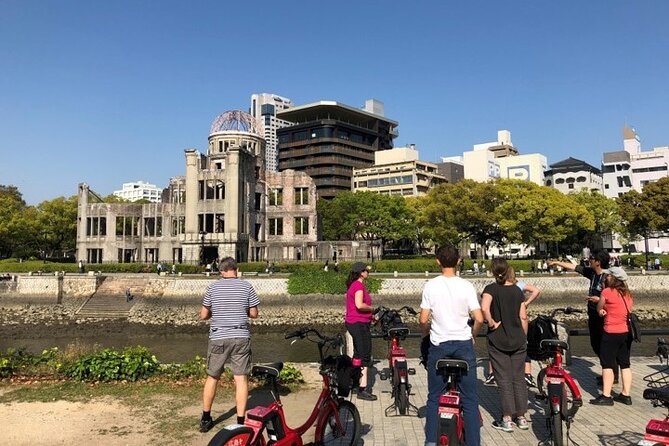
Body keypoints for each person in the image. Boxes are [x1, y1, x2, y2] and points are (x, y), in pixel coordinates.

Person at [420, 245, 484, 446]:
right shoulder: (466, 286)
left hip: (439, 345)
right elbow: (479, 318)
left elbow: (423, 319)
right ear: (458, 261)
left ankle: (431, 441)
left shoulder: (431, 285)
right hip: (463, 344)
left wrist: (427, 335)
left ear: (437, 261)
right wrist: (473, 334)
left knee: (434, 398)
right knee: (470, 400)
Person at [199, 257, 259, 432]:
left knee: (213, 376)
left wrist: (215, 314)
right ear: (236, 269)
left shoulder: (213, 287)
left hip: (219, 336)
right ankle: (240, 421)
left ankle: (206, 418)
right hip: (240, 336)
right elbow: (254, 314)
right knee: (241, 379)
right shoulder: (247, 286)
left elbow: (203, 315)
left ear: (221, 271)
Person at [549, 250, 615, 384]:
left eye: (591, 258)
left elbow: (615, 298)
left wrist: (599, 299)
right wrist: (556, 262)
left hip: (604, 316)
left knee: (605, 346)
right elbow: (574, 267)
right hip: (593, 315)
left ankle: (611, 375)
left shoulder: (608, 278)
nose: (589, 260)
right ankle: (608, 372)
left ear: (598, 262)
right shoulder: (592, 273)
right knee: (595, 344)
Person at [481, 259, 529, 432]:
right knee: (518, 378)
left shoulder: (490, 289)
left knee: (503, 379)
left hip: (498, 339)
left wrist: (492, 323)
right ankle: (522, 417)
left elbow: (484, 308)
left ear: (493, 272)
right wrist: (524, 336)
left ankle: (507, 418)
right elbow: (523, 316)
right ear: (508, 270)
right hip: (518, 339)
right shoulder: (517, 291)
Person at [484, 267, 541, 387]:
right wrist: (526, 303)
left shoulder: (497, 288)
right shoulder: (519, 286)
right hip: (518, 320)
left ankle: (492, 373)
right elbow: (536, 290)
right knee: (523, 347)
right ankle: (527, 374)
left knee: (496, 346)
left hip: (503, 319)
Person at [590, 266, 634, 406]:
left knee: (607, 364)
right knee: (625, 364)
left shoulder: (607, 292)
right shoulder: (627, 293)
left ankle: (606, 395)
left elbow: (599, 308)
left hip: (611, 332)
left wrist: (601, 310)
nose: (606, 278)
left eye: (608, 276)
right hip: (625, 332)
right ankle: (626, 395)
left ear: (613, 278)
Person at [345, 262, 377, 401]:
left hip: (355, 322)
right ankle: (362, 389)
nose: (368, 272)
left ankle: (353, 382)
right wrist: (372, 309)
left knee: (358, 354)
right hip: (358, 323)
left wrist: (371, 317)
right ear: (361, 273)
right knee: (365, 354)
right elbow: (359, 305)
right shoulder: (358, 285)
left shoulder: (354, 285)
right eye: (366, 270)